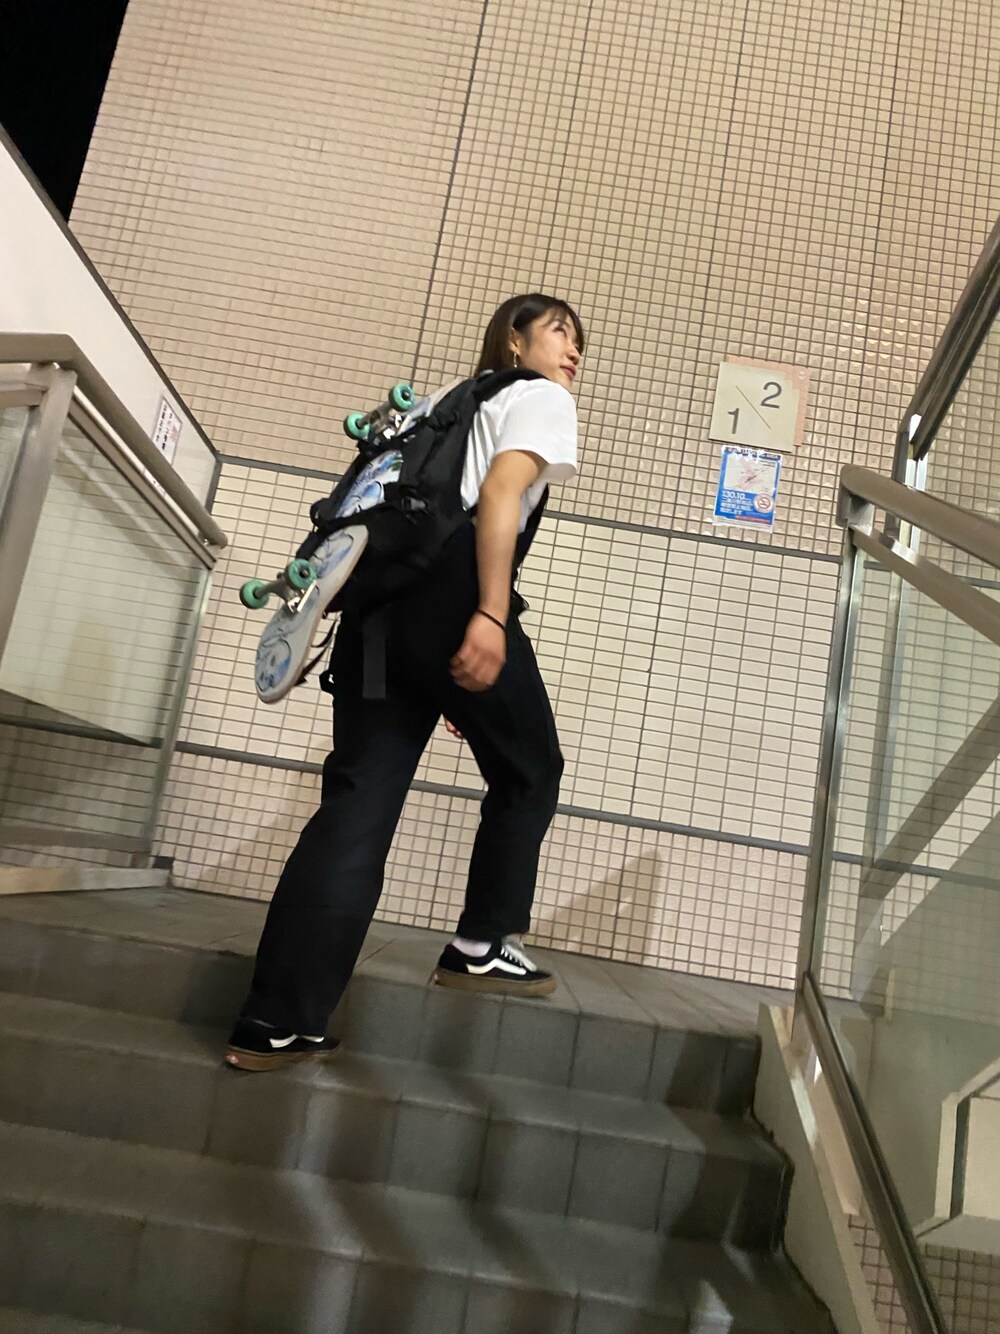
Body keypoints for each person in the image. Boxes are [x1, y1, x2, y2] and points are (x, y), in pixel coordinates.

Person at [226, 293, 584, 1071]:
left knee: (357, 802)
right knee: (532, 769)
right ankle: (481, 944)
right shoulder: (540, 398)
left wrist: (442, 679)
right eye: (559, 331)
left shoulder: (439, 404)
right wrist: (489, 616)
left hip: (376, 613)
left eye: (578, 342)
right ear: (513, 339)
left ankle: (276, 1021)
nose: (573, 351)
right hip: (451, 596)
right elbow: (499, 497)